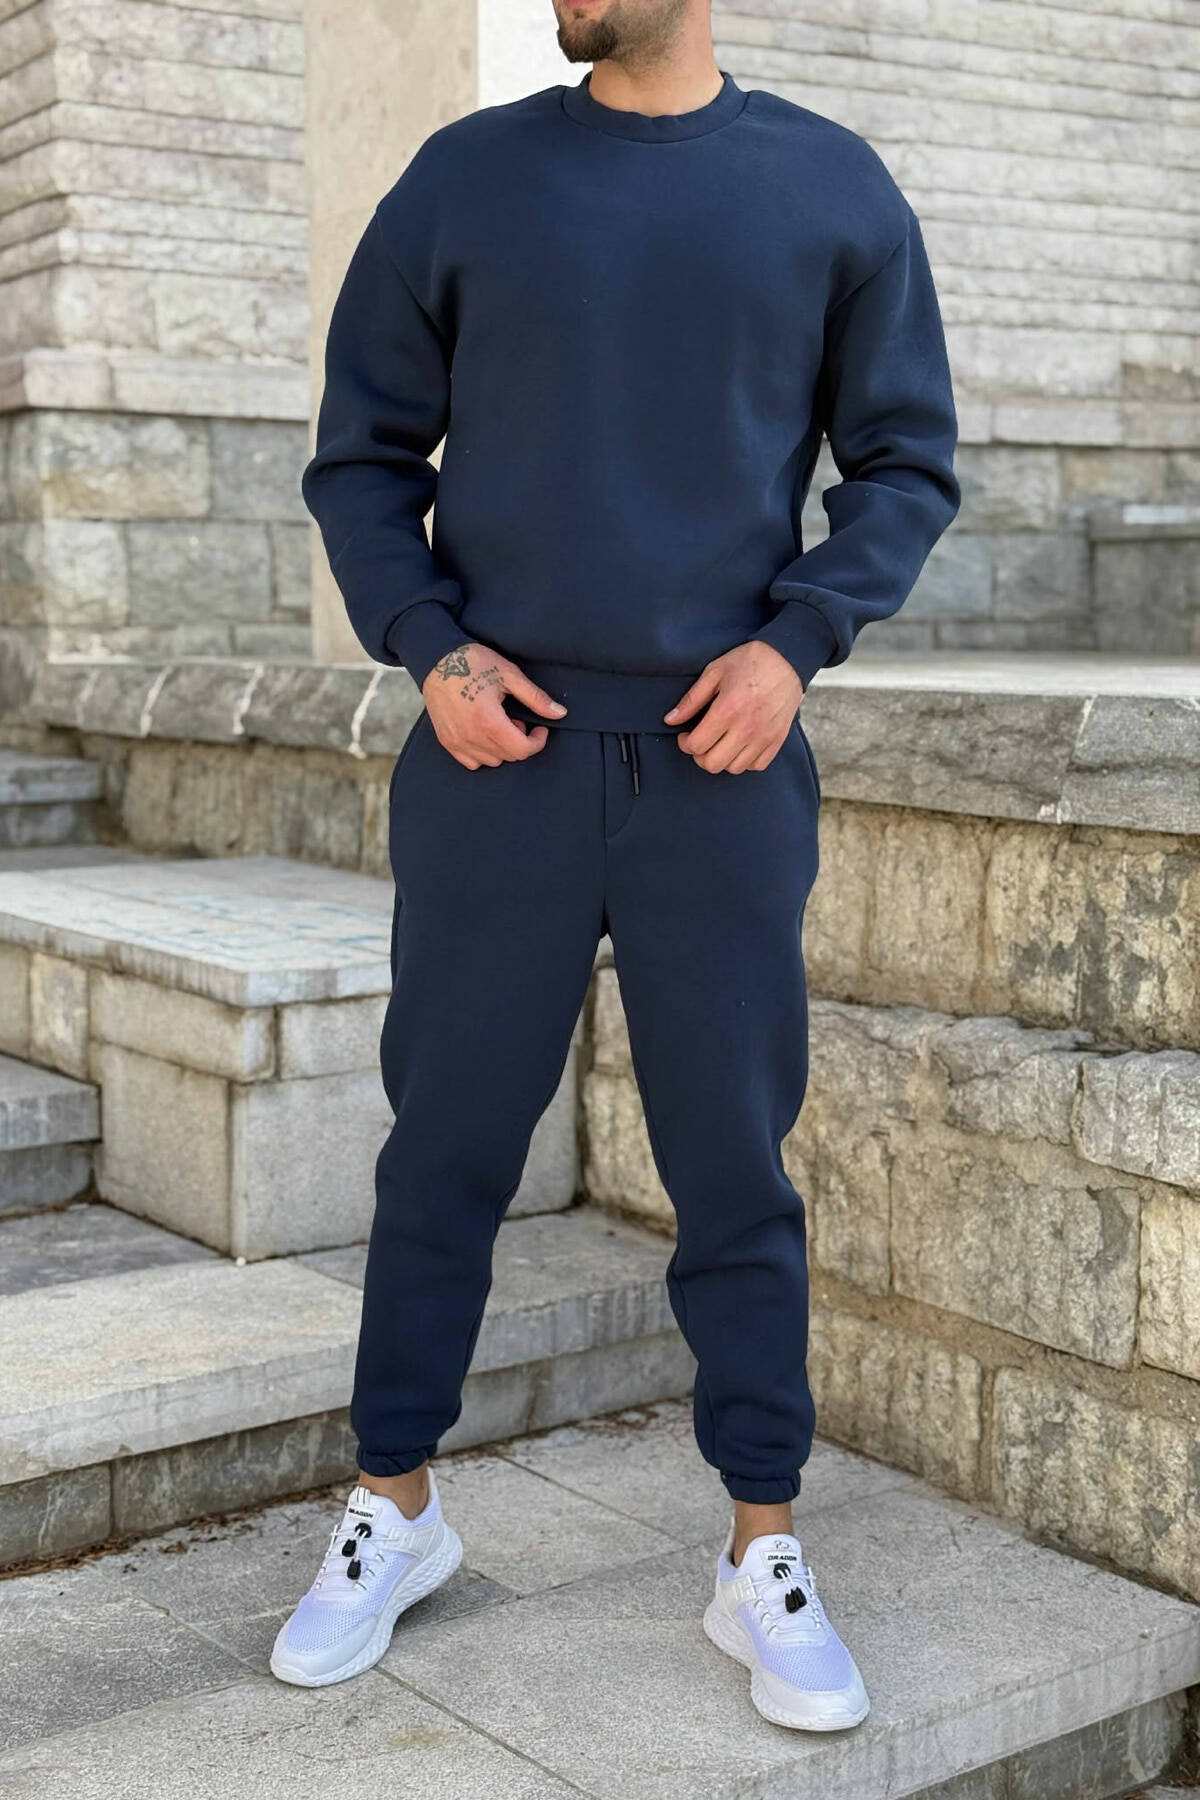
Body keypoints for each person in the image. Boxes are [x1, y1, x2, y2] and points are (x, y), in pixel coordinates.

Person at [270, 0, 959, 1730]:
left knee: (734, 1165)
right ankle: (395, 1508)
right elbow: (361, 457)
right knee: (443, 1149)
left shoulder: (831, 189)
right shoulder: (465, 181)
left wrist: (797, 643)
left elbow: (904, 465)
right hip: (492, 758)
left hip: (719, 762)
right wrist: (428, 643)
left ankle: (761, 1553)